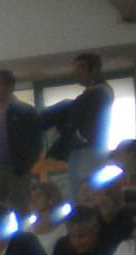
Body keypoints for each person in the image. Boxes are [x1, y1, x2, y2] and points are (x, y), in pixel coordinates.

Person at [43, 52, 114, 203]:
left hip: (88, 152)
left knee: (86, 197)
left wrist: (76, 137)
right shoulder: (93, 94)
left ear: (94, 69)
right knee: (81, 195)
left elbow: (86, 123)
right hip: (85, 151)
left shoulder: (99, 93)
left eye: (81, 68)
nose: (77, 72)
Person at [0, 69, 43, 216]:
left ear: (10, 86)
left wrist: (24, 166)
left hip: (16, 170)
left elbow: (36, 142)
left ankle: (22, 238)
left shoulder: (26, 111)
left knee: (21, 211)